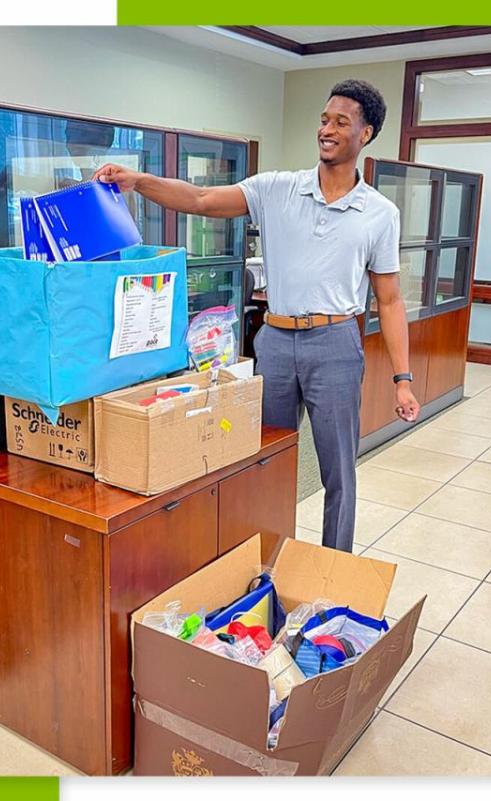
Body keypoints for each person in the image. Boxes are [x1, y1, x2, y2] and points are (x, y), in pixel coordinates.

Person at [92, 79, 418, 552]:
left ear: (365, 134)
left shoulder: (380, 214)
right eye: (324, 120)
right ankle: (262, 562)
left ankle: (333, 569)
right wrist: (138, 182)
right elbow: (201, 200)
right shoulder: (276, 189)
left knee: (338, 472)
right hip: (276, 343)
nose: (326, 129)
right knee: (262, 461)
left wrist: (402, 379)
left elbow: (389, 300)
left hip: (336, 346)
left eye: (340, 122)